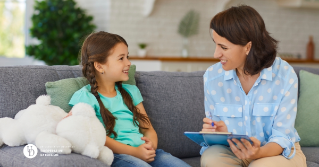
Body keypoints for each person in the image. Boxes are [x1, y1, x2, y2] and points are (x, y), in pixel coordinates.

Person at [201, 5, 307, 167]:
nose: (216, 54)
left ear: (248, 47)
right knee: (211, 159)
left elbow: (282, 137)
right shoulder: (212, 77)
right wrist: (218, 133)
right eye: (216, 45)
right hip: (233, 150)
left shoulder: (284, 75)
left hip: (276, 152)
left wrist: (257, 153)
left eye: (223, 47)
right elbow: (215, 130)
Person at [65, 31, 191, 167]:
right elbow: (96, 137)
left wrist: (150, 146)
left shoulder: (131, 92)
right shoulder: (85, 97)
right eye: (121, 58)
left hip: (145, 152)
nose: (129, 62)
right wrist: (135, 152)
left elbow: (148, 128)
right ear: (99, 66)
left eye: (127, 57)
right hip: (117, 156)